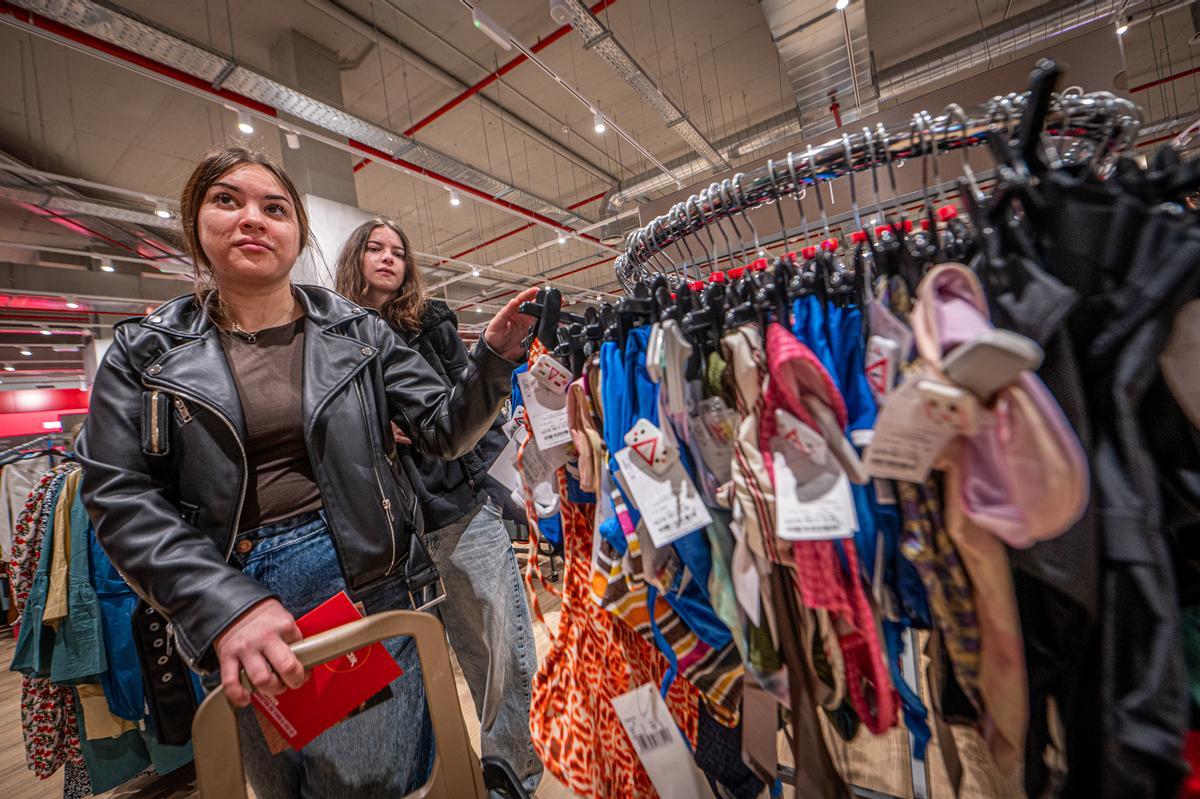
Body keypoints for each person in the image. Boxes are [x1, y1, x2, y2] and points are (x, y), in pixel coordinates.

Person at [77, 147, 536, 798]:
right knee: (281, 786)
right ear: (194, 223)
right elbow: (118, 491)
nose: (252, 219)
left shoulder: (355, 329)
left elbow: (442, 429)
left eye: (274, 208)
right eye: (226, 200)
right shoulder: (145, 349)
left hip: (351, 585)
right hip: (225, 594)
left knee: (366, 786)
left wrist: (492, 359)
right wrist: (220, 604)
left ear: (297, 233)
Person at [334, 219, 542, 793]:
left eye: (398, 251)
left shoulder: (432, 324)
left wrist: (440, 436)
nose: (387, 258)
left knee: (500, 655)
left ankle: (512, 780)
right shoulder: (333, 339)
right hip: (386, 534)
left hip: (458, 509)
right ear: (354, 259)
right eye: (374, 248)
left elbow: (469, 407)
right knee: (401, 678)